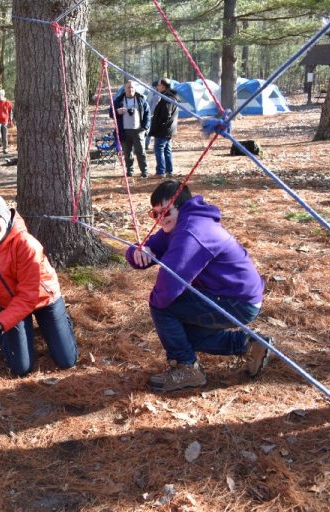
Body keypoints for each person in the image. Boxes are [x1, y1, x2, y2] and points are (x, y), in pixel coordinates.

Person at [125, 181, 271, 392]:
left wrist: (158, 303)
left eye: (164, 212)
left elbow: (170, 283)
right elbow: (148, 248)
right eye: (154, 214)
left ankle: (186, 367)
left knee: (162, 306)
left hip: (237, 300)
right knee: (183, 333)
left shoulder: (191, 231)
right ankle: (249, 344)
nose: (159, 219)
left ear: (181, 207)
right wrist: (138, 251)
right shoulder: (179, 224)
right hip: (233, 295)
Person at [0, 193, 78, 378]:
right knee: (20, 368)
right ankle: (3, 332)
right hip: (11, 305)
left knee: (67, 361)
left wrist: (1, 322)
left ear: (6, 216)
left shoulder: (26, 244)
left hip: (44, 300)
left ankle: (60, 324)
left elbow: (29, 295)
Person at [112, 79, 150, 177]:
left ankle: (144, 171)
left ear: (135, 88)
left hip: (138, 130)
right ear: (125, 89)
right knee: (127, 153)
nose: (130, 89)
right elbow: (111, 113)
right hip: (124, 130)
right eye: (128, 87)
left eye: (132, 87)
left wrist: (145, 128)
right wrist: (117, 112)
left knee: (141, 152)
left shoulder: (141, 99)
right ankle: (130, 170)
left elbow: (147, 113)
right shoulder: (119, 100)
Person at [149, 78, 179, 178]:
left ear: (163, 86)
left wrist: (158, 124)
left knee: (159, 149)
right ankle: (168, 171)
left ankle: (161, 172)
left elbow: (166, 114)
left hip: (163, 129)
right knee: (166, 149)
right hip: (168, 129)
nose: (157, 87)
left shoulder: (167, 98)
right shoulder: (170, 96)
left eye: (158, 85)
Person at [145, 80, 160, 150]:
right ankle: (147, 144)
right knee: (151, 130)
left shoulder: (151, 93)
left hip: (151, 114)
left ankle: (147, 144)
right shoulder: (156, 94)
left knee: (149, 130)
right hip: (153, 114)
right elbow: (154, 105)